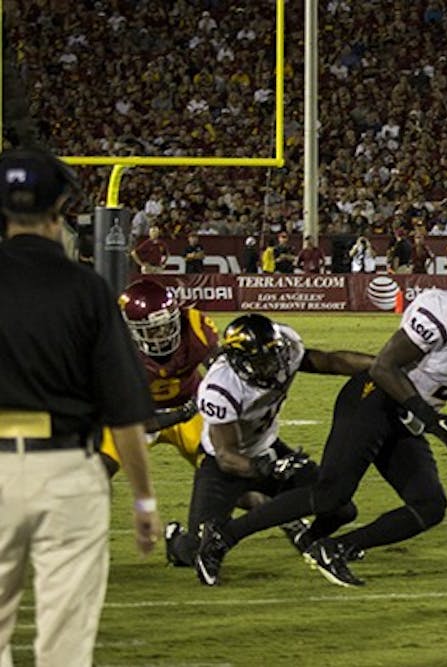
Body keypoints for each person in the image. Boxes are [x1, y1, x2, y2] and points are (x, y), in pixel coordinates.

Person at [195, 245, 447, 587]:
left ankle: (334, 548)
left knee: (430, 506)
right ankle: (224, 536)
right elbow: (384, 367)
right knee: (332, 494)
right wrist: (430, 418)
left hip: (407, 414)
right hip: (372, 400)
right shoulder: (442, 311)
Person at [0, 147, 159, 665]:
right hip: (66, 470)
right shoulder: (87, 290)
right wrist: (143, 500)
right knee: (64, 646)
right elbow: (125, 410)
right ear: (61, 205)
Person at [164, 314, 371, 571]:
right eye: (262, 360)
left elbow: (330, 361)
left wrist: (381, 366)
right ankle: (175, 540)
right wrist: (269, 469)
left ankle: (309, 538)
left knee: (341, 508)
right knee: (197, 552)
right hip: (222, 467)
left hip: (268, 448)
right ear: (240, 362)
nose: (273, 364)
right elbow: (226, 456)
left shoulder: (285, 350)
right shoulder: (220, 386)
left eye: (274, 354)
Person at [98, 279, 219, 478]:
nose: (163, 334)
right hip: (142, 415)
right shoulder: (114, 352)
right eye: (153, 329)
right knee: (98, 470)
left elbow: (223, 372)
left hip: (190, 406)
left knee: (221, 469)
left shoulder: (194, 327)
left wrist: (210, 395)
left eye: (167, 325)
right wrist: (182, 413)